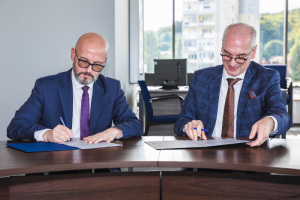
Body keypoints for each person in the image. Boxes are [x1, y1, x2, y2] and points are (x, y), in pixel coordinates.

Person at [7, 33, 142, 144]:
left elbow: (134, 125)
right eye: (83, 61)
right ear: (73, 54)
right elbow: (16, 126)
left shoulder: (112, 88)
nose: (88, 70)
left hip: (100, 166)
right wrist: (47, 134)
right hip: (58, 165)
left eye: (97, 65)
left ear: (105, 62)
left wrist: (115, 131)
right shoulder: (46, 87)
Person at [174, 23, 290, 147]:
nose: (232, 63)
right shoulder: (201, 78)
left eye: (241, 57)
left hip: (248, 156)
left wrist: (270, 122)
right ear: (221, 47)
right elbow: (181, 121)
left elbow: (282, 116)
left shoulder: (267, 78)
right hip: (205, 156)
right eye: (227, 55)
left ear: (253, 52)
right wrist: (188, 126)